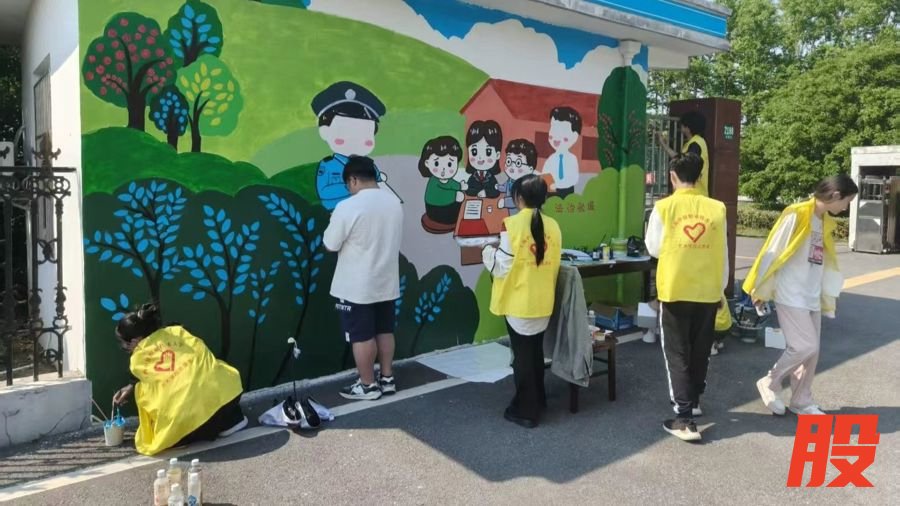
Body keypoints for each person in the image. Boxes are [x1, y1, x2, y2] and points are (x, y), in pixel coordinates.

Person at [744, 174, 858, 416]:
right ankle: (770, 381)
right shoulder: (796, 213)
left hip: (811, 294)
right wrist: (758, 287)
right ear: (836, 195)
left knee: (811, 352)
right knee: (804, 346)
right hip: (790, 293)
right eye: (847, 202)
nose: (846, 207)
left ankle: (801, 400)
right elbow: (772, 250)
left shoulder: (824, 221)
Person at [645, 152, 728, 442]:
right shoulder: (717, 208)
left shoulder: (663, 207)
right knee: (700, 349)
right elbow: (723, 251)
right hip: (707, 290)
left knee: (677, 353)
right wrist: (721, 289)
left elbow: (654, 248)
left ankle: (683, 419)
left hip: (675, 289)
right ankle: (694, 401)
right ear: (700, 176)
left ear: (672, 176)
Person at [111, 303, 247, 456]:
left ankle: (183, 435)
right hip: (227, 399)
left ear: (135, 341)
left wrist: (134, 387)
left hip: (189, 420)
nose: (125, 348)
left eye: (124, 344)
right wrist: (130, 386)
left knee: (143, 390)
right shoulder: (177, 331)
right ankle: (232, 419)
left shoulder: (137, 359)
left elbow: (153, 380)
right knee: (208, 367)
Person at [482, 174, 562, 428]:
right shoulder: (554, 226)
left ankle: (526, 411)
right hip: (543, 301)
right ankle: (539, 399)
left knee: (523, 358)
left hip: (519, 303)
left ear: (519, 198)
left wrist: (487, 252)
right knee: (535, 353)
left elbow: (502, 267)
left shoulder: (512, 224)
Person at [323, 155, 404, 400]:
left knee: (361, 336)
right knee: (385, 330)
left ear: (353, 180)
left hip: (357, 286)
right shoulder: (394, 203)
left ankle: (368, 385)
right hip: (387, 281)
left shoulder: (347, 207)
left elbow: (330, 244)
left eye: (347, 184)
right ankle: (387, 379)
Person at [311, 81, 391, 211]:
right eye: (344, 131)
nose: (355, 139)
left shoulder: (368, 165)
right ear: (325, 131)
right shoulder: (329, 165)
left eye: (365, 132)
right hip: (336, 212)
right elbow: (324, 192)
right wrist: (356, 187)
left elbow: (379, 185)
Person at [419, 135, 467, 234]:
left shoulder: (446, 180)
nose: (443, 169)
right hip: (436, 210)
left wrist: (460, 186)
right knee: (459, 203)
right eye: (437, 164)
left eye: (449, 164)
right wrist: (455, 195)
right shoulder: (434, 182)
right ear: (427, 163)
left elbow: (451, 184)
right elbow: (441, 195)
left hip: (446, 206)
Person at [656, 111, 710, 196]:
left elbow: (684, 163)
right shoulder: (695, 142)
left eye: (682, 125)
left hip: (693, 194)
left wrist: (663, 143)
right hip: (694, 193)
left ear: (687, 128)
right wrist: (663, 144)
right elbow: (679, 158)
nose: (680, 127)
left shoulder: (696, 143)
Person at [540, 106, 581, 198]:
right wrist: (550, 185)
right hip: (551, 192)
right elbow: (545, 174)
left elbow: (575, 178)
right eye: (554, 129)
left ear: (575, 136)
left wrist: (563, 183)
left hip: (568, 191)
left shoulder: (572, 158)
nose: (556, 137)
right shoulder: (551, 159)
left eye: (562, 131)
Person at [497, 138, 538, 216]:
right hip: (513, 216)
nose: (512, 166)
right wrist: (497, 186)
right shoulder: (509, 179)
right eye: (509, 161)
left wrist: (504, 202)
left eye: (518, 163)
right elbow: (503, 186)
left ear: (530, 169)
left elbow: (519, 200)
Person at [464, 120, 503, 198]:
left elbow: (496, 191)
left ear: (497, 155)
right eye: (474, 152)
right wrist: (475, 192)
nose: (480, 157)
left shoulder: (492, 177)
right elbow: (468, 190)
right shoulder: (473, 177)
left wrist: (486, 193)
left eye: (488, 152)